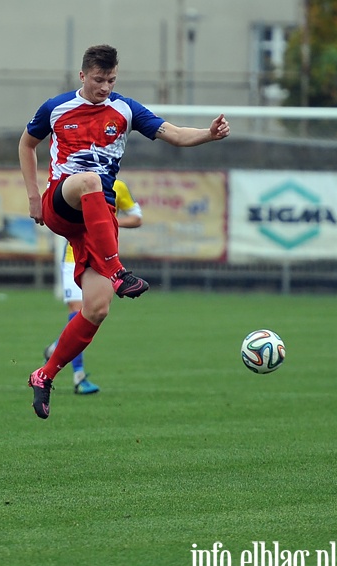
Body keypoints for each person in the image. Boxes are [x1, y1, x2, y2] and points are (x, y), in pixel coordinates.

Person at [19, 44, 229, 420]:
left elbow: (175, 134)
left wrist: (209, 135)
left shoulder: (126, 109)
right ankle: (119, 272)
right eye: (98, 80)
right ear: (82, 76)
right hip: (62, 202)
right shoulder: (56, 107)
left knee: (96, 309)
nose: (104, 87)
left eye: (111, 80)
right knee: (88, 181)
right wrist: (34, 195)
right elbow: (27, 143)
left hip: (98, 220)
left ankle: (44, 374)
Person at [43, 179, 143, 395]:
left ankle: (56, 349)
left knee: (92, 314)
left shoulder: (118, 186)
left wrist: (110, 220)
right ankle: (78, 377)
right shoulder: (75, 181)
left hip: (100, 261)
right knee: (76, 312)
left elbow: (137, 217)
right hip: (72, 256)